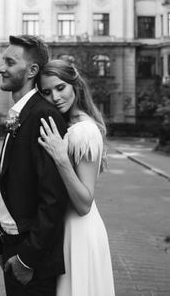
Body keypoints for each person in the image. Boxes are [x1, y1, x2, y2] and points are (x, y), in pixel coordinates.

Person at [0, 36, 69, 296]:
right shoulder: (21, 111)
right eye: (3, 61)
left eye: (10, 62)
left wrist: (27, 259)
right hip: (12, 246)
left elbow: (54, 198)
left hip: (31, 258)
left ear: (32, 70)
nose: (1, 68)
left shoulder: (42, 114)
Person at [37, 59, 115, 296]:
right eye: (47, 92)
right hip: (66, 230)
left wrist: (61, 159)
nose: (55, 97)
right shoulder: (67, 123)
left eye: (61, 88)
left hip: (80, 232)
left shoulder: (84, 130)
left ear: (75, 85)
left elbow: (84, 203)